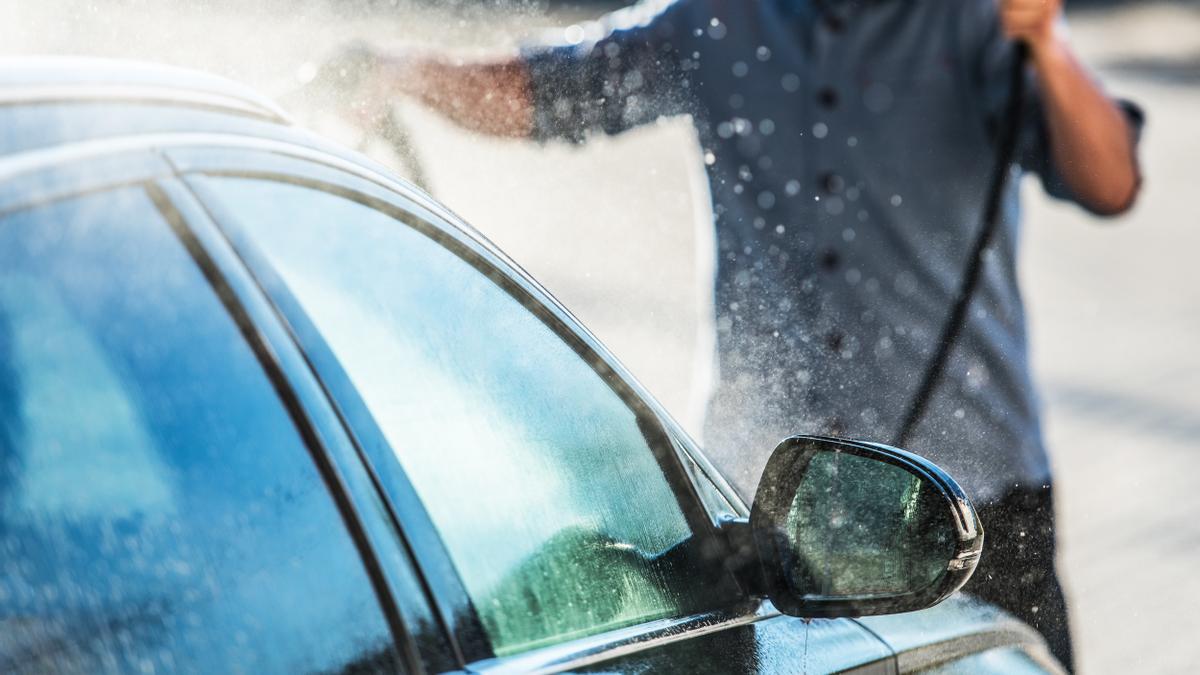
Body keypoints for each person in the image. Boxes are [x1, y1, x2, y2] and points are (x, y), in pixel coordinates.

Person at [345, 0, 1142, 669]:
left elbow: (1109, 181)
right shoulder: (722, 15)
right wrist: (401, 73)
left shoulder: (978, 21)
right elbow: (551, 93)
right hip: (772, 520)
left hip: (969, 512)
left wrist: (1046, 42)